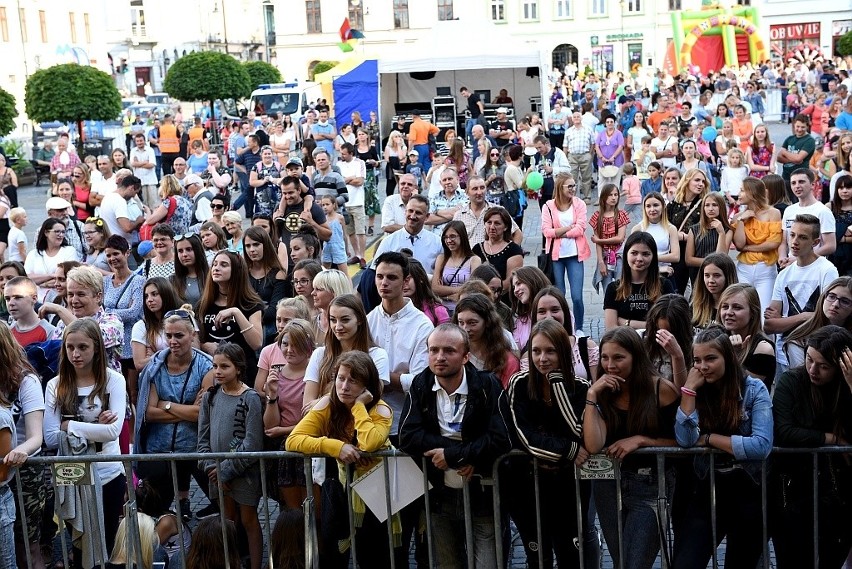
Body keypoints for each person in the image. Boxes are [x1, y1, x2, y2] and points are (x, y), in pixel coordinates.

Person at [399, 324, 511, 569]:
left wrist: (454, 455)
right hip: (440, 497)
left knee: (488, 564)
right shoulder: (421, 384)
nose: (440, 357)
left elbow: (502, 437)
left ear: (465, 356)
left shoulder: (487, 385)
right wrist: (459, 454)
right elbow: (408, 435)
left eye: (449, 351)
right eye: (434, 350)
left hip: (483, 494)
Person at [673, 326, 773, 569]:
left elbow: (761, 445)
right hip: (707, 487)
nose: (703, 366)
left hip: (749, 489)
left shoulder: (752, 389)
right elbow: (685, 440)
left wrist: (709, 439)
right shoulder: (697, 388)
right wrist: (688, 391)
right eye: (697, 360)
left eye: (710, 359)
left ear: (727, 357)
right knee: (685, 562)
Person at [582, 326, 679, 569]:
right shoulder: (603, 392)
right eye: (605, 357)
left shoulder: (660, 389)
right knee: (621, 563)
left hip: (650, 485)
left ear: (635, 357)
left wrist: (641, 440)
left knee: (634, 564)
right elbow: (594, 444)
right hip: (608, 485)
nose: (610, 365)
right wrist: (592, 395)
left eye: (618, 357)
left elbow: (683, 441)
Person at [287, 351, 395, 569]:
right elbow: (293, 440)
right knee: (335, 552)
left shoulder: (381, 408)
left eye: (353, 381)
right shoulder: (327, 405)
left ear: (367, 386)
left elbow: (369, 444)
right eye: (341, 378)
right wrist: (336, 447)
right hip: (344, 489)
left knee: (376, 556)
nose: (344, 386)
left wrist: (359, 407)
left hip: (380, 492)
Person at [507, 318, 593, 569]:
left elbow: (578, 431)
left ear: (564, 353)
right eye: (536, 351)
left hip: (568, 488)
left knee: (570, 556)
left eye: (550, 351)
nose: (542, 358)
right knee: (538, 558)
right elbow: (524, 437)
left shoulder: (581, 388)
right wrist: (569, 450)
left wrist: (557, 384)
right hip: (527, 486)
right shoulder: (519, 384)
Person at [44, 318, 127, 563]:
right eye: (70, 347)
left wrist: (69, 425)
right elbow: (50, 437)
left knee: (108, 543)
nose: (75, 354)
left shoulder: (114, 380)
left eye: (82, 347)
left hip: (108, 471)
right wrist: (94, 427)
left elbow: (113, 432)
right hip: (71, 473)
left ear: (97, 348)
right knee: (79, 545)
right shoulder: (55, 385)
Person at [771, 325, 852, 569]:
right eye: (809, 359)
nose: (813, 370)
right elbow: (784, 432)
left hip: (839, 495)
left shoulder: (845, 387)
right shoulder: (792, 380)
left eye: (824, 366)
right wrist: (833, 439)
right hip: (793, 491)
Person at [135, 306, 215, 520]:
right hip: (158, 450)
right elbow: (149, 413)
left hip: (195, 449)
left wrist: (165, 404)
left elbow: (202, 414)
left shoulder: (206, 366)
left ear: (192, 335)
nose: (173, 341)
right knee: (151, 514)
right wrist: (187, 410)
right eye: (168, 335)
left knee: (223, 504)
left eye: (179, 335)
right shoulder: (155, 366)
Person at [197, 343, 264, 569]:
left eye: (224, 366)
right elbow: (203, 440)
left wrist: (225, 470)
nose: (218, 371)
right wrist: (212, 470)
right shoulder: (210, 397)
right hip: (217, 474)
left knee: (248, 520)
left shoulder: (250, 398)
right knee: (228, 522)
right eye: (215, 366)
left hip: (244, 472)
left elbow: (252, 442)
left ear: (238, 368)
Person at [367, 251, 433, 438]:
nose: (384, 282)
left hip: (406, 423)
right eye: (379, 276)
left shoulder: (422, 325)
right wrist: (397, 379)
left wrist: (380, 377)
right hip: (369, 423)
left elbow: (419, 382)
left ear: (406, 281)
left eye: (391, 277)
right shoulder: (368, 320)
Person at [765, 214, 839, 378]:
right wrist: (804, 316)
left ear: (815, 242)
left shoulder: (827, 270)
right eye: (792, 235)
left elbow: (828, 317)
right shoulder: (783, 275)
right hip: (784, 354)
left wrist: (784, 321)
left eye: (802, 237)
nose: (794, 241)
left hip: (816, 356)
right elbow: (770, 325)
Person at [0, 319, 45, 568]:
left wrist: (18, 452)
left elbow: (36, 436)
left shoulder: (26, 381)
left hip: (24, 469)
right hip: (0, 473)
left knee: (27, 545)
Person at [197, 250, 263, 380]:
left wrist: (236, 312)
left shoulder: (251, 304)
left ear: (237, 270)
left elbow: (257, 343)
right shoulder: (203, 304)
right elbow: (194, 339)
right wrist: (204, 345)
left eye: (224, 265)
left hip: (242, 373)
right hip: (212, 372)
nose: (216, 268)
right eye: (215, 264)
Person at [542, 172, 590, 332]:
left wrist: (560, 231)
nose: (573, 189)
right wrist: (569, 227)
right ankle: (562, 327)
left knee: (577, 296)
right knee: (559, 295)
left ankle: (579, 328)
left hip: (575, 255)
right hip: (556, 257)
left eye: (574, 185)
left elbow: (581, 228)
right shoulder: (548, 206)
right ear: (560, 188)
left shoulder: (580, 204)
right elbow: (546, 232)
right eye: (569, 186)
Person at [604, 231, 677, 331]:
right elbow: (611, 328)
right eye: (634, 253)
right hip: (625, 344)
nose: (639, 259)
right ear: (626, 254)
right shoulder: (614, 288)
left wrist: (627, 323)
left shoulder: (664, 285)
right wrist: (649, 325)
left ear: (653, 257)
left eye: (645, 254)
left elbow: (668, 325)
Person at [731, 177, 783, 314]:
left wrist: (748, 248)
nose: (739, 194)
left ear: (752, 192)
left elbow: (773, 243)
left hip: (765, 269)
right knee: (742, 310)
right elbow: (739, 245)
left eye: (742, 190)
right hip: (743, 268)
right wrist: (742, 220)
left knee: (765, 312)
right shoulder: (738, 216)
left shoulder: (773, 213)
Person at [453, 293, 519, 388]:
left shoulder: (507, 360)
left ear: (488, 322)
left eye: (472, 323)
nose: (465, 329)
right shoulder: (455, 354)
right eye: (461, 322)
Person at [719, 284, 776, 385]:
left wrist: (733, 356)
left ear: (753, 313)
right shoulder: (719, 337)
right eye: (725, 307)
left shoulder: (763, 348)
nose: (729, 312)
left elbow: (744, 390)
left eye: (737, 308)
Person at [372, 194, 443, 274]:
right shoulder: (388, 242)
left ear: (427, 216)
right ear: (405, 212)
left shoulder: (437, 243)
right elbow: (375, 271)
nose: (412, 216)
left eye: (418, 213)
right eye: (410, 211)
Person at [243, 227, 287, 345]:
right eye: (248, 246)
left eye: (256, 244)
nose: (252, 250)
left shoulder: (278, 273)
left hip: (270, 330)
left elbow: (275, 309)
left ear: (266, 245)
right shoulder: (242, 273)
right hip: (245, 330)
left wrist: (250, 318)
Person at [25, 218, 79, 302]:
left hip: (60, 299)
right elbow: (27, 278)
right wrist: (51, 276)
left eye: (63, 232)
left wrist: (42, 284)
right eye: (57, 231)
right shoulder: (33, 254)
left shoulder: (69, 251)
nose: (61, 235)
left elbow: (68, 277)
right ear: (46, 232)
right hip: (35, 300)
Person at [431, 221, 481, 313]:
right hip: (443, 311)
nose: (449, 241)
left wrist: (445, 291)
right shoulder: (441, 259)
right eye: (446, 237)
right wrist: (459, 291)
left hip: (465, 310)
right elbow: (435, 288)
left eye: (452, 236)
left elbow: (473, 289)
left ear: (462, 236)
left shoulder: (474, 260)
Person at [472, 206, 524, 293]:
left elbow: (510, 282)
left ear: (505, 227)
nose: (492, 227)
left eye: (497, 223)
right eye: (489, 223)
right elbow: (473, 277)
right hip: (480, 299)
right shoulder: (477, 249)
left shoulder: (514, 250)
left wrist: (490, 293)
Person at [684, 193, 733, 282]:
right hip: (698, 275)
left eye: (714, 205)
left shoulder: (727, 231)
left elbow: (721, 258)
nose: (710, 208)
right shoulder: (694, 230)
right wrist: (711, 264)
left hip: (718, 276)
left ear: (721, 207)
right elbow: (689, 259)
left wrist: (721, 233)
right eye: (707, 205)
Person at [631, 192, 680, 279]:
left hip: (665, 273)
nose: (652, 209)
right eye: (648, 206)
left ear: (663, 206)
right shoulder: (637, 229)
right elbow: (632, 256)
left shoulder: (671, 229)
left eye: (656, 205)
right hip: (644, 274)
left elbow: (676, 256)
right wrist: (657, 267)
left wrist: (649, 258)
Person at [691, 253, 738, 329]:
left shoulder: (736, 309)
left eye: (717, 275)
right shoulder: (695, 305)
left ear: (728, 277)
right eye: (707, 275)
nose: (711, 280)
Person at [777, 115, 817, 190]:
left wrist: (785, 153)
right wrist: (793, 159)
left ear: (807, 127)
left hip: (800, 179)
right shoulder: (789, 139)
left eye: (802, 127)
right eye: (797, 126)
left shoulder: (809, 140)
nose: (799, 129)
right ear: (794, 125)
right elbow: (779, 157)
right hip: (786, 177)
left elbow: (798, 158)